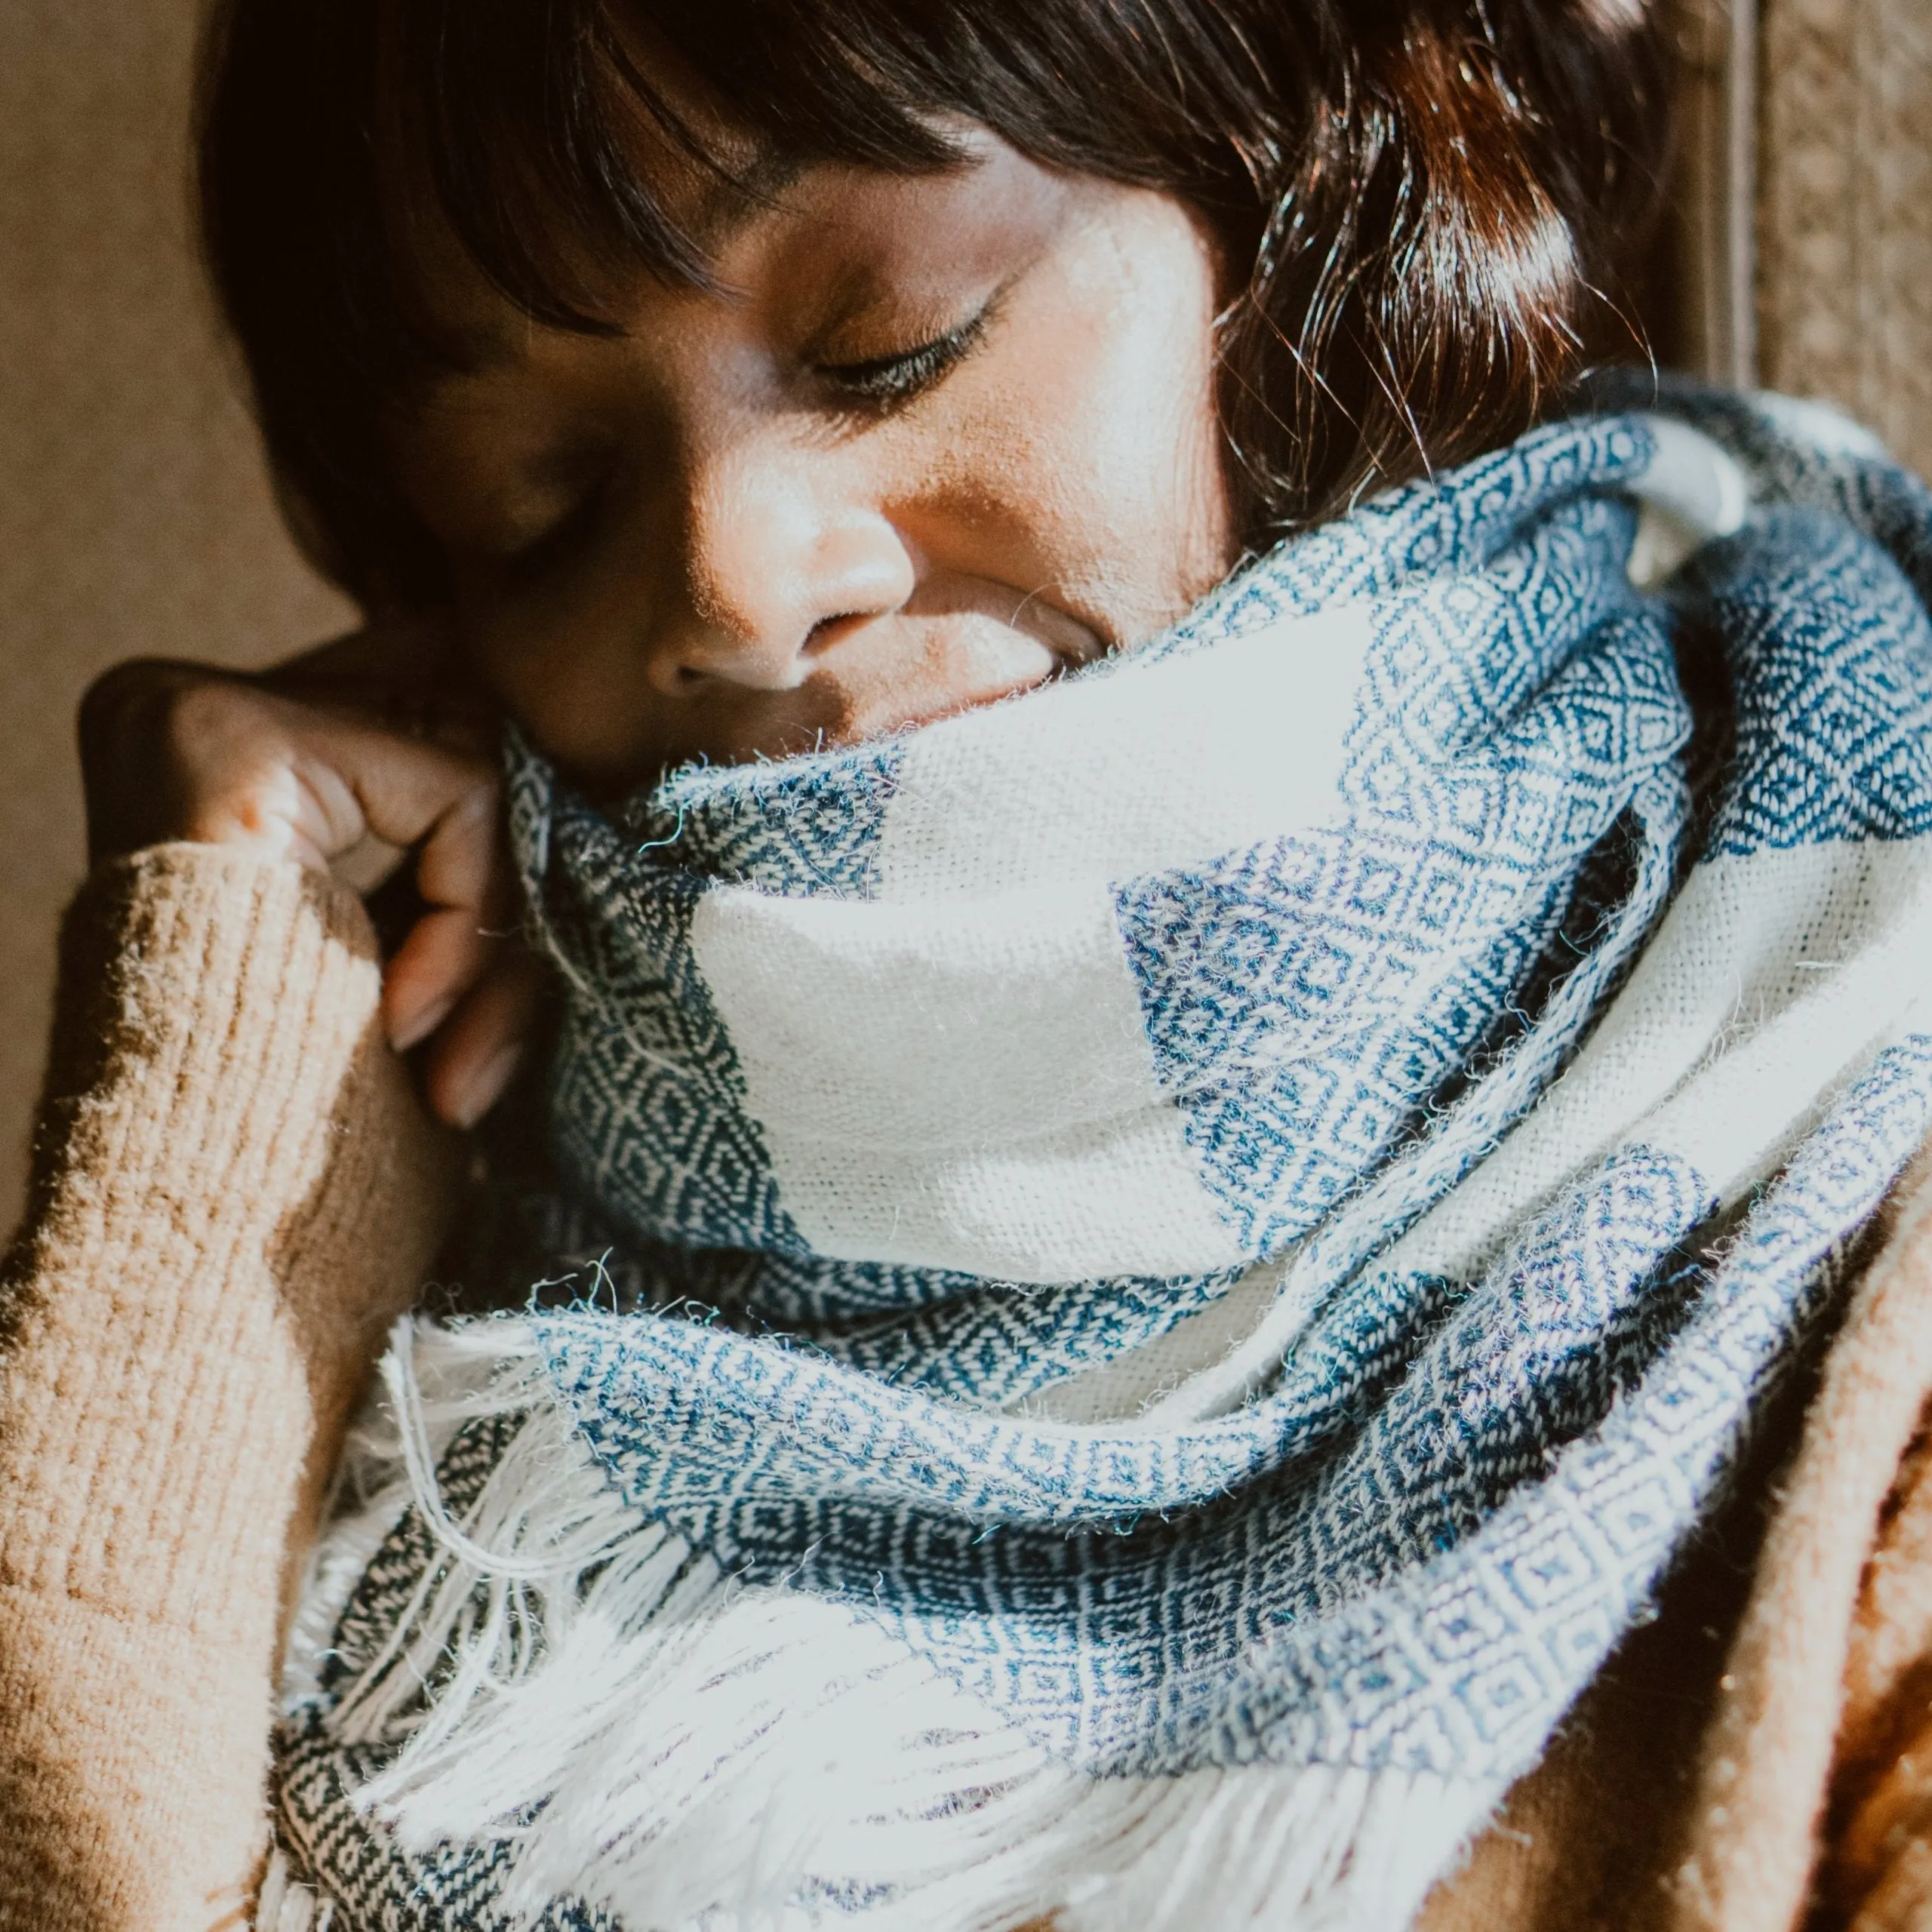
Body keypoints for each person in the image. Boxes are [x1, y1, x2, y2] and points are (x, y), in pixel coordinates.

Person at [8, 1, 1932, 1927]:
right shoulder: (408, 1230)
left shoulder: (1863, 1132)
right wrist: (233, 1004)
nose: (735, 590)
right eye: (540, 500)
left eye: (886, 339)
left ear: (1303, 230)